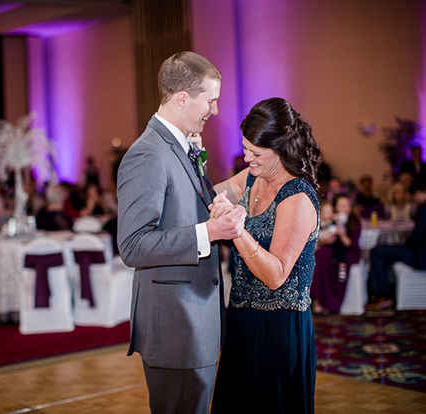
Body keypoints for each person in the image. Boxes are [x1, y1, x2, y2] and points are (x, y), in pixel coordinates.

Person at [116, 51, 246, 414]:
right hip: (176, 325)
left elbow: (186, 207)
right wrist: (208, 232)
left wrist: (251, 176)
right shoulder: (149, 154)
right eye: (211, 100)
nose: (215, 110)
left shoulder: (180, 145)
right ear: (182, 98)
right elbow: (133, 245)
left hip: (192, 321)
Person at [208, 97, 321, 413]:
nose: (246, 158)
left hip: (280, 328)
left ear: (282, 148)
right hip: (242, 319)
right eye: (245, 149)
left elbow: (275, 275)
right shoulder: (250, 179)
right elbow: (204, 198)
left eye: (255, 153)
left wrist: (236, 230)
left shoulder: (297, 196)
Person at [367, 181, 426, 310]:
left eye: (414, 197)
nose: (414, 200)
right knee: (383, 251)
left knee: (376, 252)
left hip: (422, 256)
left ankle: (383, 296)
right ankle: (380, 291)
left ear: (417, 193)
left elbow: (417, 238)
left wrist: (407, 241)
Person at [311, 194, 362, 314]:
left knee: (327, 258)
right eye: (343, 206)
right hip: (334, 249)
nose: (347, 208)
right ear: (336, 208)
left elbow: (350, 244)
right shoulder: (332, 220)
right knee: (320, 254)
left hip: (349, 252)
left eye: (348, 205)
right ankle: (317, 298)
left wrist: (340, 233)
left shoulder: (354, 221)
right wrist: (327, 239)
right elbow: (324, 236)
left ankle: (329, 301)